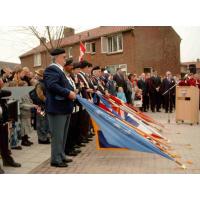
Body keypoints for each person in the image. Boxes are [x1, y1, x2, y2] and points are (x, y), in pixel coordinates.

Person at [44, 48, 76, 167]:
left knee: (62, 135)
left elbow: (63, 85)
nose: (65, 59)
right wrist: (68, 93)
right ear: (56, 58)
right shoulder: (51, 69)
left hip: (63, 107)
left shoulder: (59, 70)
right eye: (64, 57)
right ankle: (56, 159)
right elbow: (52, 85)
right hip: (57, 108)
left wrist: (72, 91)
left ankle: (61, 155)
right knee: (57, 136)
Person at [35, 69, 50, 144]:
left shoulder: (43, 83)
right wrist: (47, 101)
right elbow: (40, 95)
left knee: (45, 122)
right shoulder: (39, 84)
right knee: (41, 122)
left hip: (44, 105)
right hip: (41, 106)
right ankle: (42, 139)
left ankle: (44, 137)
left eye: (37, 74)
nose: (36, 75)